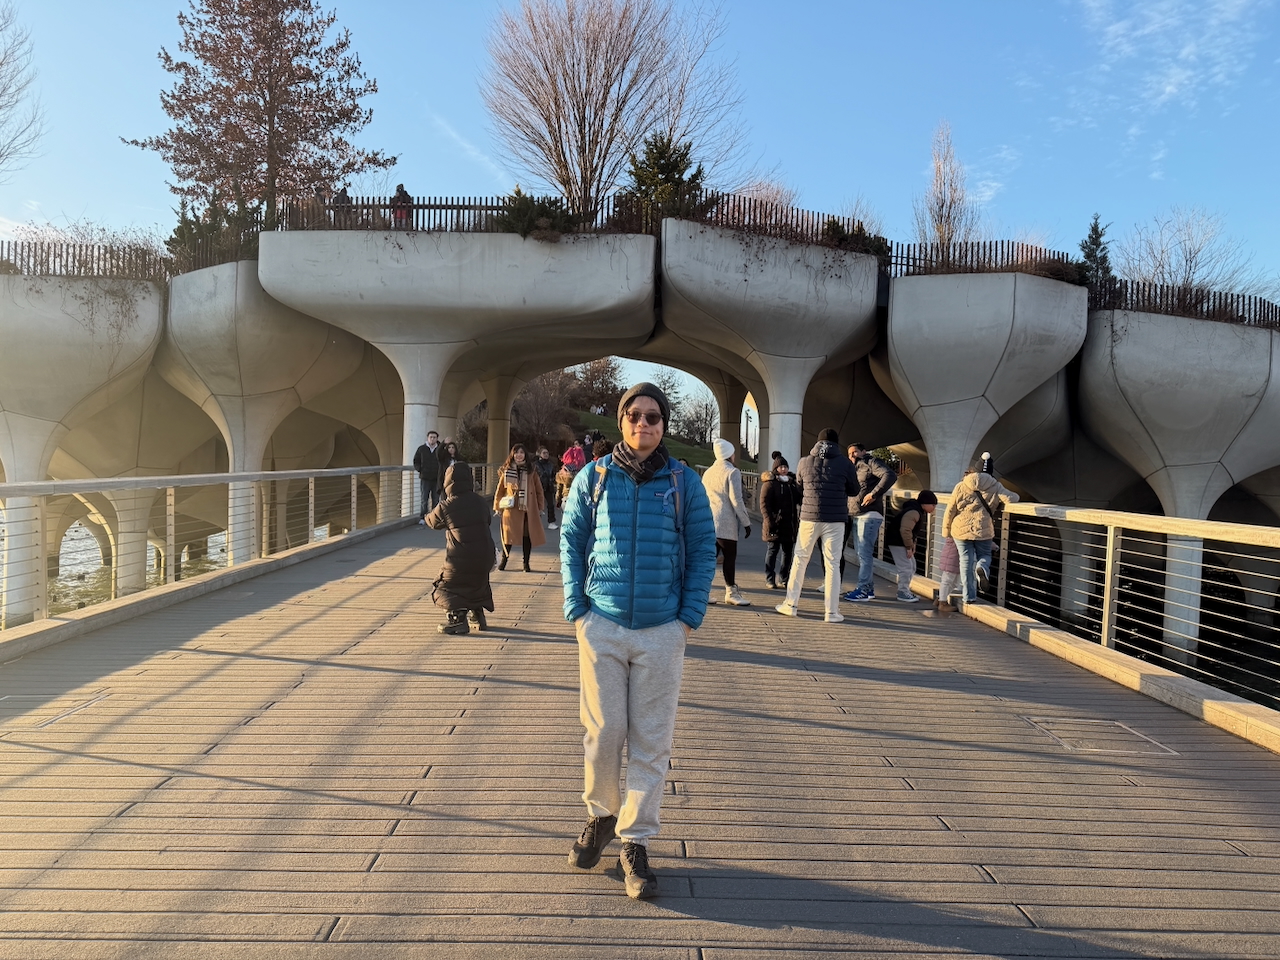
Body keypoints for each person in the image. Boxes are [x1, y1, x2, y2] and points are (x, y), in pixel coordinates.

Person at [561, 382, 716, 901]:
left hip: (662, 629)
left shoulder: (684, 482)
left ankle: (635, 839)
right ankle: (602, 815)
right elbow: (571, 538)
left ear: (663, 425)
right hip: (601, 623)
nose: (643, 424)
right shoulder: (595, 475)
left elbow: (703, 548)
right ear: (621, 420)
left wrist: (688, 617)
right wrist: (576, 608)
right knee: (604, 732)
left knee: (652, 740)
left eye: (653, 416)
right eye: (634, 415)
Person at [775, 428, 859, 624]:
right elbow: (854, 490)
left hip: (809, 517)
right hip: (835, 519)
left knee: (800, 559)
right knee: (832, 564)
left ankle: (791, 604)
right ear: (836, 444)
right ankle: (832, 612)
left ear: (817, 442)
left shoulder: (804, 462)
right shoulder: (845, 463)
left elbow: (800, 487)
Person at [424, 462, 495, 635]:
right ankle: (477, 615)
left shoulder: (446, 505)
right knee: (477, 580)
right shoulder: (481, 502)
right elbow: (487, 520)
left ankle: (457, 619)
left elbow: (432, 522)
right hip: (486, 556)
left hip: (461, 559)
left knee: (446, 586)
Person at [942, 452, 1019, 603]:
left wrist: (946, 530)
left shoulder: (961, 485)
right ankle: (982, 567)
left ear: (974, 469)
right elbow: (1013, 498)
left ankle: (968, 596)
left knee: (965, 561)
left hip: (960, 530)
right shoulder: (995, 485)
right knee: (985, 555)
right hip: (983, 529)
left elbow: (950, 509)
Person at [842, 443, 897, 603]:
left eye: (855, 452)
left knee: (864, 554)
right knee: (861, 554)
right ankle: (868, 588)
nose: (852, 455)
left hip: (869, 514)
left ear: (863, 451)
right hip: (857, 514)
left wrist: (874, 494)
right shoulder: (854, 468)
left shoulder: (870, 462)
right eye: (849, 453)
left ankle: (863, 589)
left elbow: (890, 475)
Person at [701, 438, 752, 606]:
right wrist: (746, 522)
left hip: (709, 520)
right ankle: (731, 592)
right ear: (729, 454)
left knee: (709, 559)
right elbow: (736, 500)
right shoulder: (732, 472)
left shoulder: (708, 472)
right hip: (726, 522)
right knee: (729, 558)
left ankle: (703, 592)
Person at [493, 443, 547, 572]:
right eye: (516, 452)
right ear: (512, 455)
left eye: (521, 453)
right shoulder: (506, 470)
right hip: (511, 508)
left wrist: (540, 507)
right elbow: (500, 490)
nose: (519, 455)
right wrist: (497, 507)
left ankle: (526, 563)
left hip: (528, 508)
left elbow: (539, 490)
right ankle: (504, 560)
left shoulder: (531, 470)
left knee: (527, 536)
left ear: (525, 455)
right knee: (508, 536)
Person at [883, 490, 937, 603]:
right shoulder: (914, 512)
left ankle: (905, 590)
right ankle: (902, 592)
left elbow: (912, 532)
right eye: (933, 505)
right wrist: (909, 547)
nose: (934, 508)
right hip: (897, 541)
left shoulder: (916, 510)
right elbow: (906, 530)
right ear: (925, 503)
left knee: (911, 566)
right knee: (906, 567)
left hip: (900, 541)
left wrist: (912, 545)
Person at [760, 452, 801, 590]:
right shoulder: (770, 484)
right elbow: (764, 505)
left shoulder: (792, 484)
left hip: (789, 524)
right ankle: (769, 578)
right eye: (781, 467)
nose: (783, 469)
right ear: (775, 469)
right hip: (774, 524)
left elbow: (799, 500)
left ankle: (784, 578)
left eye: (785, 467)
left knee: (788, 553)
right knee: (772, 551)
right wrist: (769, 521)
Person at [413, 430, 443, 521]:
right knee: (424, 499)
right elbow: (416, 460)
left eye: (434, 437)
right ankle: (423, 517)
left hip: (436, 479)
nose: (432, 439)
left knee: (436, 499)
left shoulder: (440, 450)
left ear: (437, 439)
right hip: (425, 478)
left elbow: (443, 461)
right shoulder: (422, 449)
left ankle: (434, 518)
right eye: (431, 437)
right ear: (428, 438)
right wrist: (420, 469)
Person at [534, 447, 559, 530]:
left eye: (547, 453)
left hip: (549, 486)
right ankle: (536, 523)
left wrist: (553, 482)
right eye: (544, 453)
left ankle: (551, 522)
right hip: (538, 486)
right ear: (539, 454)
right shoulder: (535, 465)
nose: (546, 454)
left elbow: (554, 475)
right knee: (537, 505)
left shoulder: (551, 464)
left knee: (551, 505)